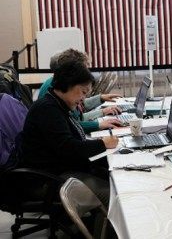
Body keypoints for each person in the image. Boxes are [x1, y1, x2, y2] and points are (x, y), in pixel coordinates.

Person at [21, 61, 119, 206]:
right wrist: (102, 144)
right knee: (115, 196)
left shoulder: (57, 105)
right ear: (68, 84)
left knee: (114, 178)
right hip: (49, 179)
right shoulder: (48, 110)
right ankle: (98, 227)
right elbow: (68, 148)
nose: (83, 98)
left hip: (60, 170)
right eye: (83, 92)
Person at [38, 49, 122, 133]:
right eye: (84, 70)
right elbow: (73, 124)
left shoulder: (58, 85)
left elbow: (78, 114)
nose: (87, 74)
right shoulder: (56, 90)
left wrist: (100, 99)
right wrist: (98, 124)